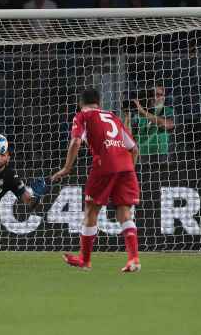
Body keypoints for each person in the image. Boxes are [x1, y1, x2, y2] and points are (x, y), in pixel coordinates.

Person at [51, 88, 141, 273]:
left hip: (104, 164)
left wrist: (67, 168)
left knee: (91, 210)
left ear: (80, 103)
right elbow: (134, 148)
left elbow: (76, 142)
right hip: (126, 166)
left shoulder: (82, 116)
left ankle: (85, 260)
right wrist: (126, 170)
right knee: (124, 210)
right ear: (99, 103)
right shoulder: (113, 116)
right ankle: (134, 259)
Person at [127, 86, 174, 161]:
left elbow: (167, 125)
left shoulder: (168, 111)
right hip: (140, 157)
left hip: (161, 157)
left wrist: (143, 112)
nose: (154, 98)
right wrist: (128, 116)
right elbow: (130, 136)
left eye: (158, 95)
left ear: (164, 97)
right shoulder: (138, 113)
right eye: (152, 95)